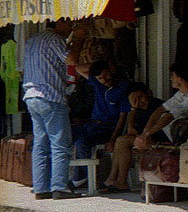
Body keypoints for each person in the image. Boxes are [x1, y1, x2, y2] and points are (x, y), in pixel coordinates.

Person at [21, 19, 79, 199]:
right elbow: (71, 59)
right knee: (60, 144)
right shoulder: (54, 39)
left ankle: (41, 188)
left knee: (41, 144)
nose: (70, 29)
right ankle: (60, 187)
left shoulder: (33, 40)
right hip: (50, 97)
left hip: (32, 96)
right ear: (58, 23)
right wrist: (80, 37)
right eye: (68, 24)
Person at [69, 60, 129, 188]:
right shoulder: (98, 84)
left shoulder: (123, 88)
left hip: (107, 129)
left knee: (82, 142)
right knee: (63, 135)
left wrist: (113, 139)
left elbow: (122, 118)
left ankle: (80, 178)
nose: (104, 80)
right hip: (91, 125)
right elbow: (78, 68)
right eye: (100, 78)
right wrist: (98, 66)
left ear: (111, 70)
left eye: (106, 75)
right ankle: (59, 177)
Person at [134, 64, 188, 151]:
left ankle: (178, 148)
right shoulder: (182, 93)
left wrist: (146, 135)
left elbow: (170, 116)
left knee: (170, 120)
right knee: (162, 118)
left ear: (180, 78)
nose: (171, 79)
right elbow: (160, 110)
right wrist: (145, 131)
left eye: (173, 76)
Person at [102, 83, 160, 192]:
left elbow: (136, 132)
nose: (139, 101)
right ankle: (114, 178)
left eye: (141, 97)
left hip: (158, 141)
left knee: (122, 141)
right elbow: (131, 130)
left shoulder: (156, 106)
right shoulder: (138, 109)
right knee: (121, 141)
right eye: (135, 99)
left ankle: (120, 181)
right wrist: (133, 109)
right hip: (141, 140)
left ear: (148, 93)